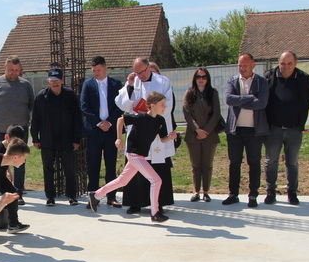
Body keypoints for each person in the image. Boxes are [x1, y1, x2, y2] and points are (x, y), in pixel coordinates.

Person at [88, 92, 178, 223]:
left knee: (122, 181)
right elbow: (120, 120)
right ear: (153, 106)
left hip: (141, 155)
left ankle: (96, 195)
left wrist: (170, 137)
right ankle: (155, 213)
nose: (165, 107)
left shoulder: (160, 120)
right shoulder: (141, 117)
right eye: (162, 104)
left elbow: (163, 139)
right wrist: (119, 139)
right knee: (156, 180)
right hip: (134, 154)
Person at [115, 57, 175, 213]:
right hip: (138, 131)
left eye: (142, 72)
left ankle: (158, 204)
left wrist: (151, 114)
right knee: (134, 169)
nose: (139, 76)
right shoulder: (134, 82)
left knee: (157, 168)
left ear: (148, 68)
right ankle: (135, 203)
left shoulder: (163, 81)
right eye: (136, 72)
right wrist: (129, 86)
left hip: (155, 129)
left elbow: (168, 105)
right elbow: (122, 104)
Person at [263, 52, 309, 205]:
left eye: (289, 63)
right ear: (278, 62)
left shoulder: (304, 79)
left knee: (292, 161)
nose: (285, 67)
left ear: (296, 63)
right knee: (271, 161)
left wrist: (298, 116)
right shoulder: (269, 77)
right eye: (282, 63)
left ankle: (292, 192)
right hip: (273, 128)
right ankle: (270, 191)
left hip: (294, 128)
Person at [0, 56, 34, 199]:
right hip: (0, 131)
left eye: (17, 70)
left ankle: (18, 190)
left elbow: (31, 105)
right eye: (11, 70)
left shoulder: (26, 85)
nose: (14, 73)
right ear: (5, 68)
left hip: (20, 132)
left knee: (19, 161)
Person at [223, 53, 269, 207]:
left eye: (245, 65)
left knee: (254, 163)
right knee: (234, 163)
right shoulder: (232, 80)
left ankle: (253, 195)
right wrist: (250, 97)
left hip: (254, 131)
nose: (242, 69)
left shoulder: (261, 82)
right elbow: (229, 99)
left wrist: (240, 101)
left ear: (253, 65)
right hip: (235, 130)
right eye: (240, 65)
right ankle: (233, 194)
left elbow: (262, 103)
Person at [31, 67, 82, 206]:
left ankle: (71, 196)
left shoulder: (70, 95)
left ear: (62, 81)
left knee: (69, 168)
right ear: (48, 81)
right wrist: (35, 138)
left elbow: (77, 118)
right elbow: (35, 119)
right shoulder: (41, 97)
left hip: (66, 139)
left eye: (57, 80)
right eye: (52, 80)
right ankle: (50, 197)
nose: (55, 83)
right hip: (47, 139)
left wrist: (76, 138)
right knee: (48, 168)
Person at [80, 56, 123, 207]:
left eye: (98, 70)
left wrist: (109, 122)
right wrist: (99, 123)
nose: (96, 73)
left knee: (111, 165)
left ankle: (111, 196)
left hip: (111, 131)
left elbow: (120, 106)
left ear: (105, 68)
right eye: (93, 71)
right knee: (93, 165)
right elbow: (84, 106)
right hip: (94, 131)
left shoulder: (116, 84)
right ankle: (93, 196)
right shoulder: (88, 84)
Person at [182, 68, 221, 203]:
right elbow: (187, 113)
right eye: (198, 77)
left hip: (210, 135)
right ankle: (196, 191)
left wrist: (206, 131)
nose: (201, 79)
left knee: (207, 165)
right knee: (196, 165)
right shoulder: (189, 93)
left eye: (204, 77)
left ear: (208, 79)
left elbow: (216, 114)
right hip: (193, 135)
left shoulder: (213, 93)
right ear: (195, 78)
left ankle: (206, 192)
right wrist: (197, 130)